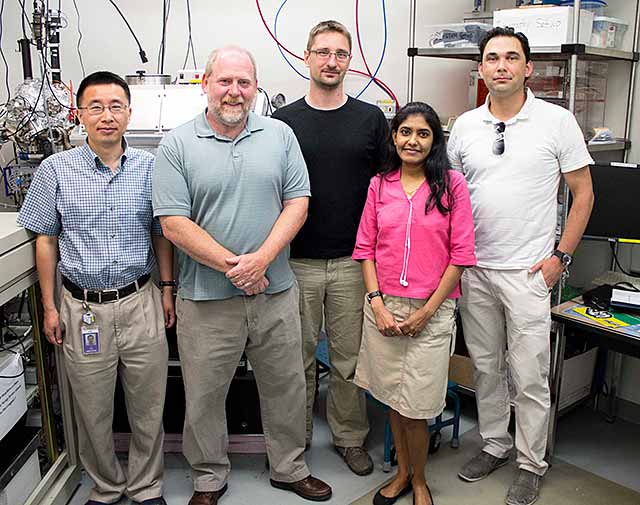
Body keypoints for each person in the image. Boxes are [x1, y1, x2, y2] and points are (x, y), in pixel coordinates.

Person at [152, 46, 332, 505]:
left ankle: (288, 467)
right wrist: (235, 267)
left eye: (244, 83)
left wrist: (261, 261)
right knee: (205, 395)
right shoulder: (178, 144)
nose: (234, 91)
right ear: (206, 84)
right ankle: (208, 477)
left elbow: (299, 203)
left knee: (287, 385)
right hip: (205, 298)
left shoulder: (280, 135)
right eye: (225, 81)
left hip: (274, 293)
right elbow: (173, 222)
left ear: (255, 87)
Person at [447, 27, 594, 505]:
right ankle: (494, 444)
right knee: (487, 367)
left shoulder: (556, 121)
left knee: (529, 374)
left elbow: (584, 193)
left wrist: (561, 258)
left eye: (512, 57)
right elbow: (449, 198)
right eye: (493, 58)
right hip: (475, 270)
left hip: (530, 272)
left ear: (528, 68)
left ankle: (531, 464)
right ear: (482, 69)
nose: (502, 66)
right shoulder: (466, 127)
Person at [18, 71, 175, 505]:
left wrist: (166, 289)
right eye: (96, 107)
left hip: (140, 300)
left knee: (148, 405)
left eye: (115, 106)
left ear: (129, 112)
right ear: (79, 114)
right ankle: (106, 486)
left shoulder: (151, 167)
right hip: (81, 307)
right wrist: (50, 307)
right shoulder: (55, 170)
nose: (107, 116)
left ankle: (146, 486)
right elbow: (45, 240)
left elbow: (161, 233)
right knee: (91, 407)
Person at [271, 20, 388, 475]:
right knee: (294, 360)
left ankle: (349, 437)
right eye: (322, 52)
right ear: (307, 57)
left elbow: (385, 189)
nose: (331, 61)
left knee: (348, 360)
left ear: (350, 61)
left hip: (350, 262)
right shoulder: (283, 124)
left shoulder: (370, 119)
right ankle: (293, 440)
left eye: (340, 53)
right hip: (294, 261)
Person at [353, 102, 476, 505]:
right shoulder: (379, 185)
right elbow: (365, 249)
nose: (413, 140)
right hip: (384, 308)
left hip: (432, 310)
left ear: (434, 141)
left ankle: (420, 479)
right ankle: (402, 473)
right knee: (392, 396)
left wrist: (426, 311)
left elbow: (461, 255)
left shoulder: (451, 185)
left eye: (423, 134)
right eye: (405, 132)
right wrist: (377, 304)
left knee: (418, 405)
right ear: (394, 136)